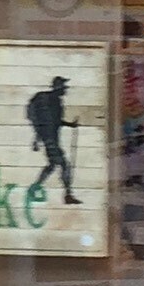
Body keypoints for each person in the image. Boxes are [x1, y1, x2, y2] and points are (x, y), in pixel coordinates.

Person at [26, 75, 81, 205]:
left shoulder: (55, 101)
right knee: (64, 165)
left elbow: (55, 122)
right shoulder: (52, 101)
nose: (66, 90)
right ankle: (68, 194)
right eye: (64, 87)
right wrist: (38, 139)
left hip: (51, 139)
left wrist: (70, 125)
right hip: (50, 140)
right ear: (59, 87)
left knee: (52, 165)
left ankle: (34, 188)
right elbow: (45, 122)